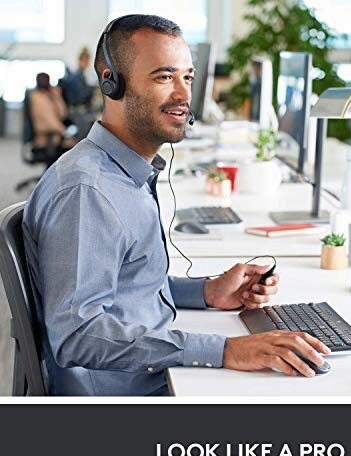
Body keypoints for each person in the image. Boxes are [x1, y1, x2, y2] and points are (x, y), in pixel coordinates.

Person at [22, 15, 330, 396]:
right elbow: (77, 334)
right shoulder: (89, 192)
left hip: (146, 377)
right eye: (164, 77)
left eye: (187, 77)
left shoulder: (125, 174)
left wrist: (207, 292)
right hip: (124, 395)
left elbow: (123, 288)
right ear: (111, 84)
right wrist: (224, 350)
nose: (183, 95)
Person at [29, 72, 76, 149]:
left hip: (55, 132)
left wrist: (57, 97)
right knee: (76, 144)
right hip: (48, 135)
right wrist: (65, 131)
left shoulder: (48, 96)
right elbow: (51, 122)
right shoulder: (38, 98)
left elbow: (63, 113)